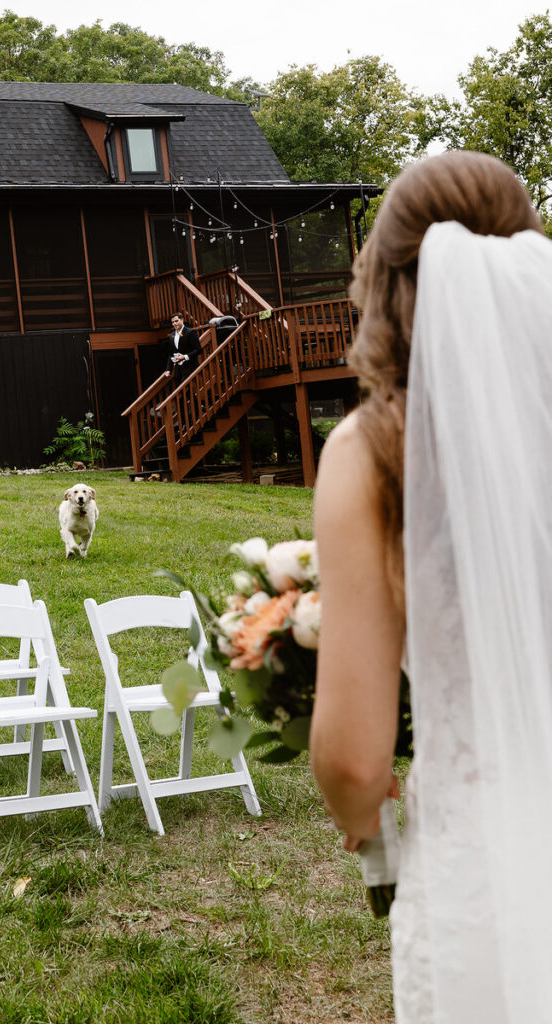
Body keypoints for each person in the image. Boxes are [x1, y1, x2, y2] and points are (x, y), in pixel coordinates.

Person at [309, 150, 552, 1022]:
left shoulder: (372, 452)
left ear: (385, 282)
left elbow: (352, 759)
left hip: (487, 878)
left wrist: (356, 811)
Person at [164, 312, 202, 384]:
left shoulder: (191, 332)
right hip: (178, 371)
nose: (174, 324)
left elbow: (199, 350)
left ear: (182, 320)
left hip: (191, 368)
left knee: (186, 390)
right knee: (181, 391)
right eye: (172, 322)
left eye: (176, 321)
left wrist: (184, 357)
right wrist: (168, 369)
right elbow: (171, 354)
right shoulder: (171, 335)